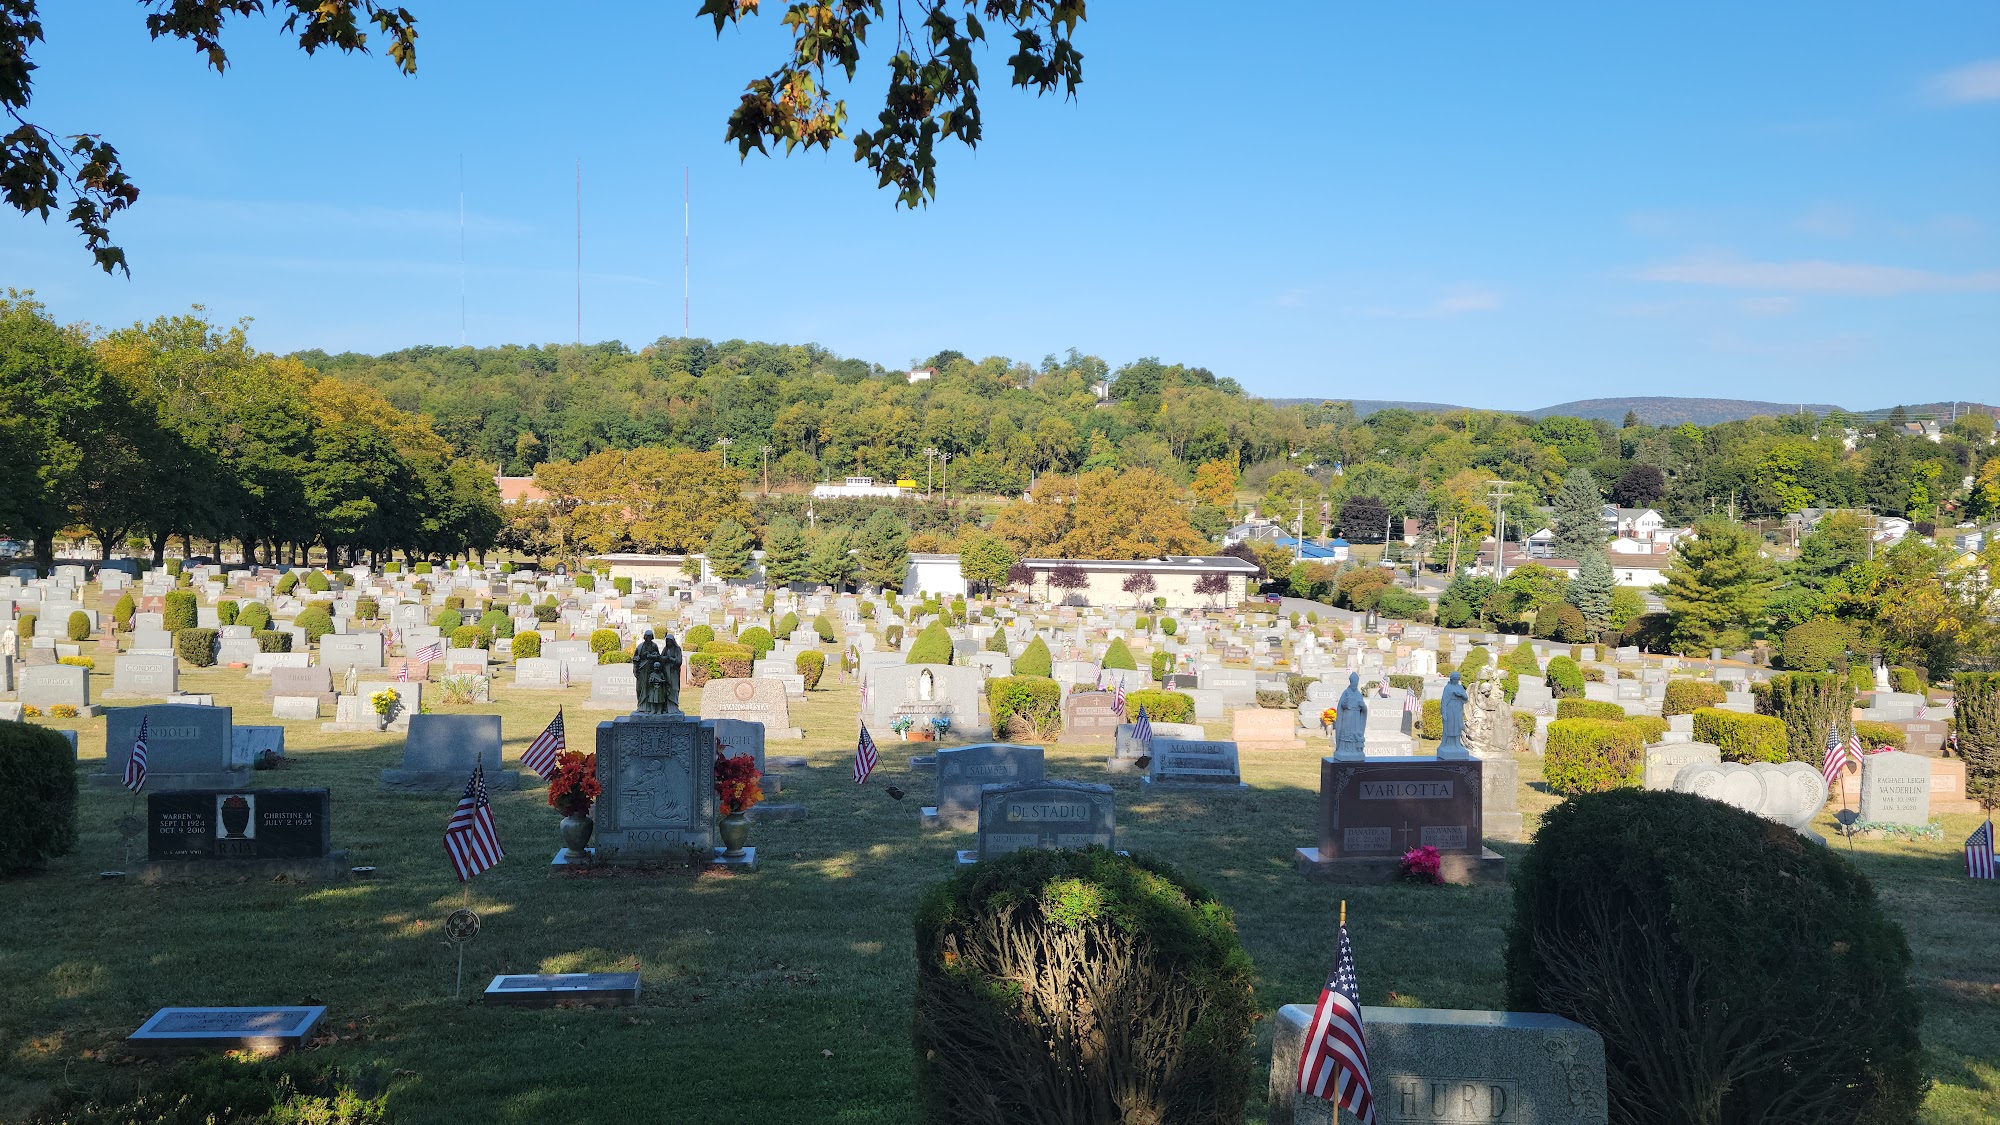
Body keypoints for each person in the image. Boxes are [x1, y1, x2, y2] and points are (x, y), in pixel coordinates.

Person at [1333, 672, 1369, 761]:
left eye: (1356, 684)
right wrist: (1344, 704)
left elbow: (1364, 709)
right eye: (1354, 684)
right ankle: (1344, 750)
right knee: (1347, 734)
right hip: (1347, 718)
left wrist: (1363, 706)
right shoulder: (1346, 693)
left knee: (1355, 735)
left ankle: (1356, 751)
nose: (1355, 685)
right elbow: (1341, 706)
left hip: (1356, 718)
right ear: (1351, 683)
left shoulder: (1358, 694)